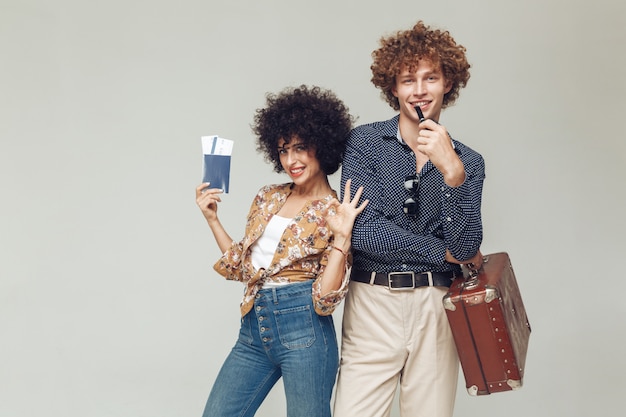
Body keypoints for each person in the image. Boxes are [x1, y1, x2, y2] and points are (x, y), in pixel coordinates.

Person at [333, 21, 485, 417]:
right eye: (407, 80)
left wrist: (453, 173)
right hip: (371, 302)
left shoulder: (468, 161)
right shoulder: (364, 143)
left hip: (437, 306)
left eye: (430, 77)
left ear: (447, 82)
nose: (419, 89)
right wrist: (442, 251)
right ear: (394, 88)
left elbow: (466, 246)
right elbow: (364, 232)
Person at [195, 85, 368, 417]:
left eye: (301, 147)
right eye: (284, 150)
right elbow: (243, 269)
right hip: (253, 328)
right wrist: (212, 218)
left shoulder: (336, 211)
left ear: (322, 144)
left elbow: (324, 301)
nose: (292, 160)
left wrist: (342, 239)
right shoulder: (268, 197)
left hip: (305, 330)